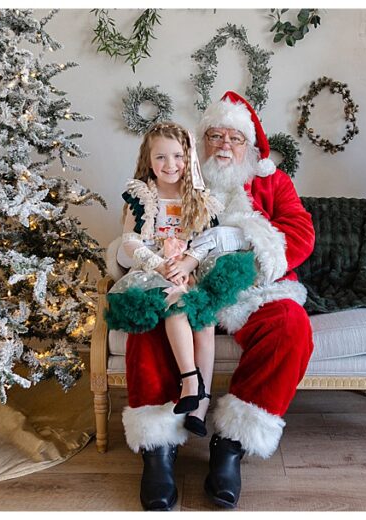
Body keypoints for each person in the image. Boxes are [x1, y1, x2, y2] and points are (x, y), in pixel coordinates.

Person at [120, 93, 315, 511]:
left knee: (290, 325)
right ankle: (158, 449)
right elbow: (137, 228)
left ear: (250, 147)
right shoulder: (179, 177)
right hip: (185, 283)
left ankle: (230, 446)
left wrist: (241, 237)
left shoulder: (272, 182)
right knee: (151, 317)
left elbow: (300, 233)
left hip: (251, 289)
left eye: (235, 137)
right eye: (215, 135)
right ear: (200, 141)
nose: (224, 144)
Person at [106, 122, 255, 440]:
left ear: (188, 159)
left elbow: (212, 240)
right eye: (161, 157)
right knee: (177, 301)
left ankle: (199, 407)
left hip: (189, 272)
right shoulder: (142, 197)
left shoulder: (201, 200)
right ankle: (191, 380)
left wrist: (189, 263)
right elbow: (128, 243)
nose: (170, 165)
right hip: (153, 271)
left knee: (203, 319)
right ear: (148, 160)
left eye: (177, 157)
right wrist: (158, 264)